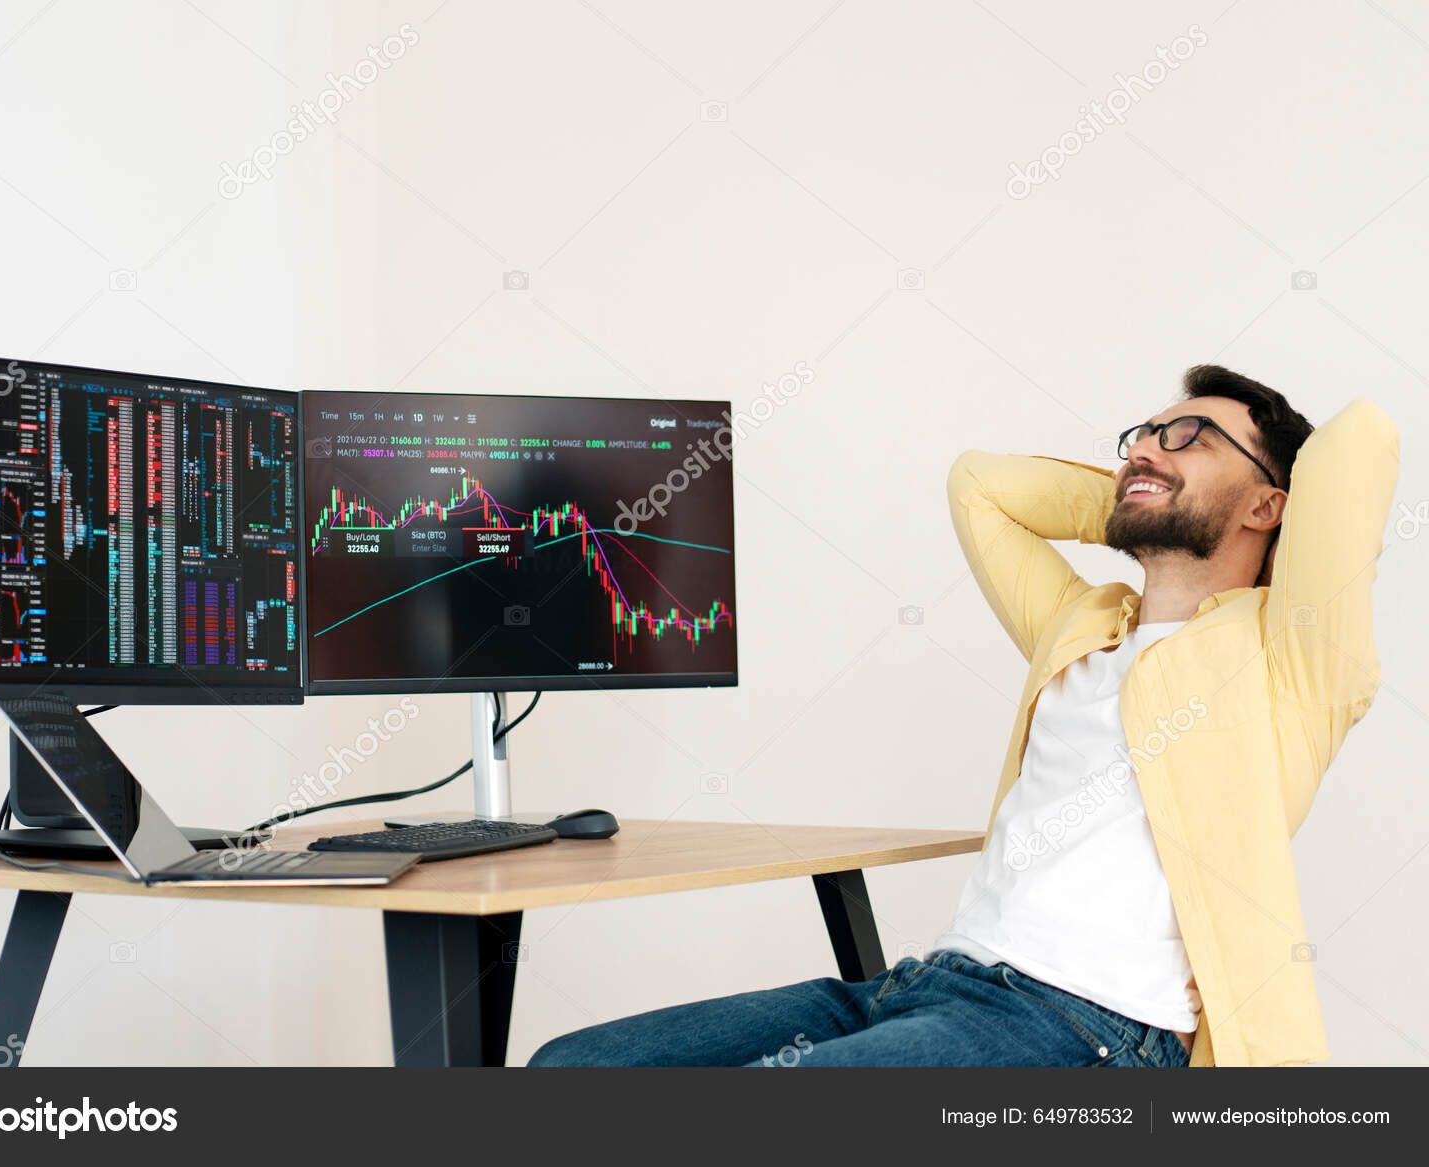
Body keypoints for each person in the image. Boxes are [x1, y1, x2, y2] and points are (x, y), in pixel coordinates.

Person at [529, 365, 1399, 1067]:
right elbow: (978, 485)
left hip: (1081, 1027)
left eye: (1189, 434)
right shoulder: (1081, 627)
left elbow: (1360, 440)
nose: (1145, 447)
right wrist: (1146, 482)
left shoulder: (1294, 658)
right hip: (921, 985)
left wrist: (1192, 488)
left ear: (1269, 503)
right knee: (567, 1068)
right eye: (1140, 433)